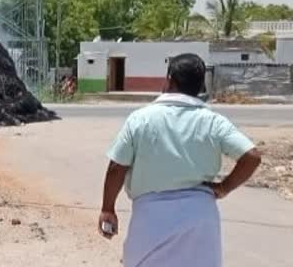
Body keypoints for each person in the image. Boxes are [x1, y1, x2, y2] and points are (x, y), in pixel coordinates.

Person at [98, 53, 262, 267]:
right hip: (200, 215)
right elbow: (251, 157)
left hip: (151, 216)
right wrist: (224, 187)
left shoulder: (141, 119)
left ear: (169, 81)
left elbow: (117, 167)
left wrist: (107, 208)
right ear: (201, 85)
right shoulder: (213, 121)